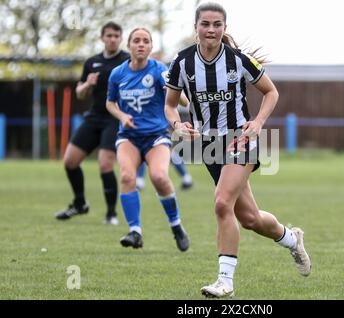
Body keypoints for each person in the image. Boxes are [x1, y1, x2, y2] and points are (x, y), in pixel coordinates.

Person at [165, 2, 311, 298]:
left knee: (221, 204)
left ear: (224, 28)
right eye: (205, 24)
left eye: (217, 24)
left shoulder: (238, 60)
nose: (211, 29)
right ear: (195, 28)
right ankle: (292, 239)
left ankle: (225, 282)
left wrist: (257, 123)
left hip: (241, 140)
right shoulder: (182, 63)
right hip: (208, 146)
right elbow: (170, 105)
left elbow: (271, 92)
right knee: (251, 218)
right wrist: (177, 127)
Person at [106, 27, 189, 251]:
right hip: (129, 137)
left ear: (151, 46)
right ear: (129, 46)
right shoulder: (117, 74)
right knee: (126, 177)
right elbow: (110, 103)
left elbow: (183, 102)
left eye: (145, 41)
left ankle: (176, 225)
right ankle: (135, 232)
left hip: (156, 135)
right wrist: (122, 115)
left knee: (159, 177)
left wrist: (171, 88)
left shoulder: (159, 70)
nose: (141, 44)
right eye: (136, 41)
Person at [54, 22, 130, 225]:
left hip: (115, 118)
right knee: (70, 161)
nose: (112, 39)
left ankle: (111, 214)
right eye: (109, 35)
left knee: (105, 163)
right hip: (94, 117)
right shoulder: (92, 62)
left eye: (116, 35)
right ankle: (79, 203)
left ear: (121, 38)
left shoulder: (127, 61)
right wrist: (88, 83)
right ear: (102, 38)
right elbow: (80, 93)